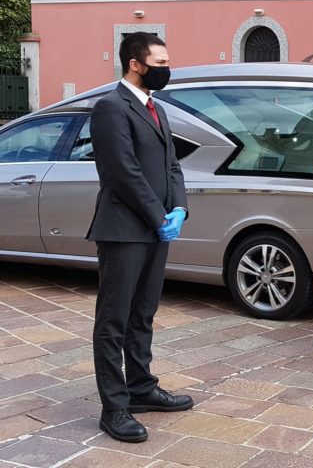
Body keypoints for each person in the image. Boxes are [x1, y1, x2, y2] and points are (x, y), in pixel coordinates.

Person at [87, 32, 193, 443]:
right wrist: (156, 215)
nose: (167, 68)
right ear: (136, 62)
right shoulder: (112, 108)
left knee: (143, 314)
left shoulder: (156, 109)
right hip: (124, 230)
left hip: (156, 228)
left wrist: (180, 207)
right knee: (113, 320)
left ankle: (142, 387)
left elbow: (172, 166)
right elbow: (122, 171)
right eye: (161, 62)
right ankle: (114, 408)